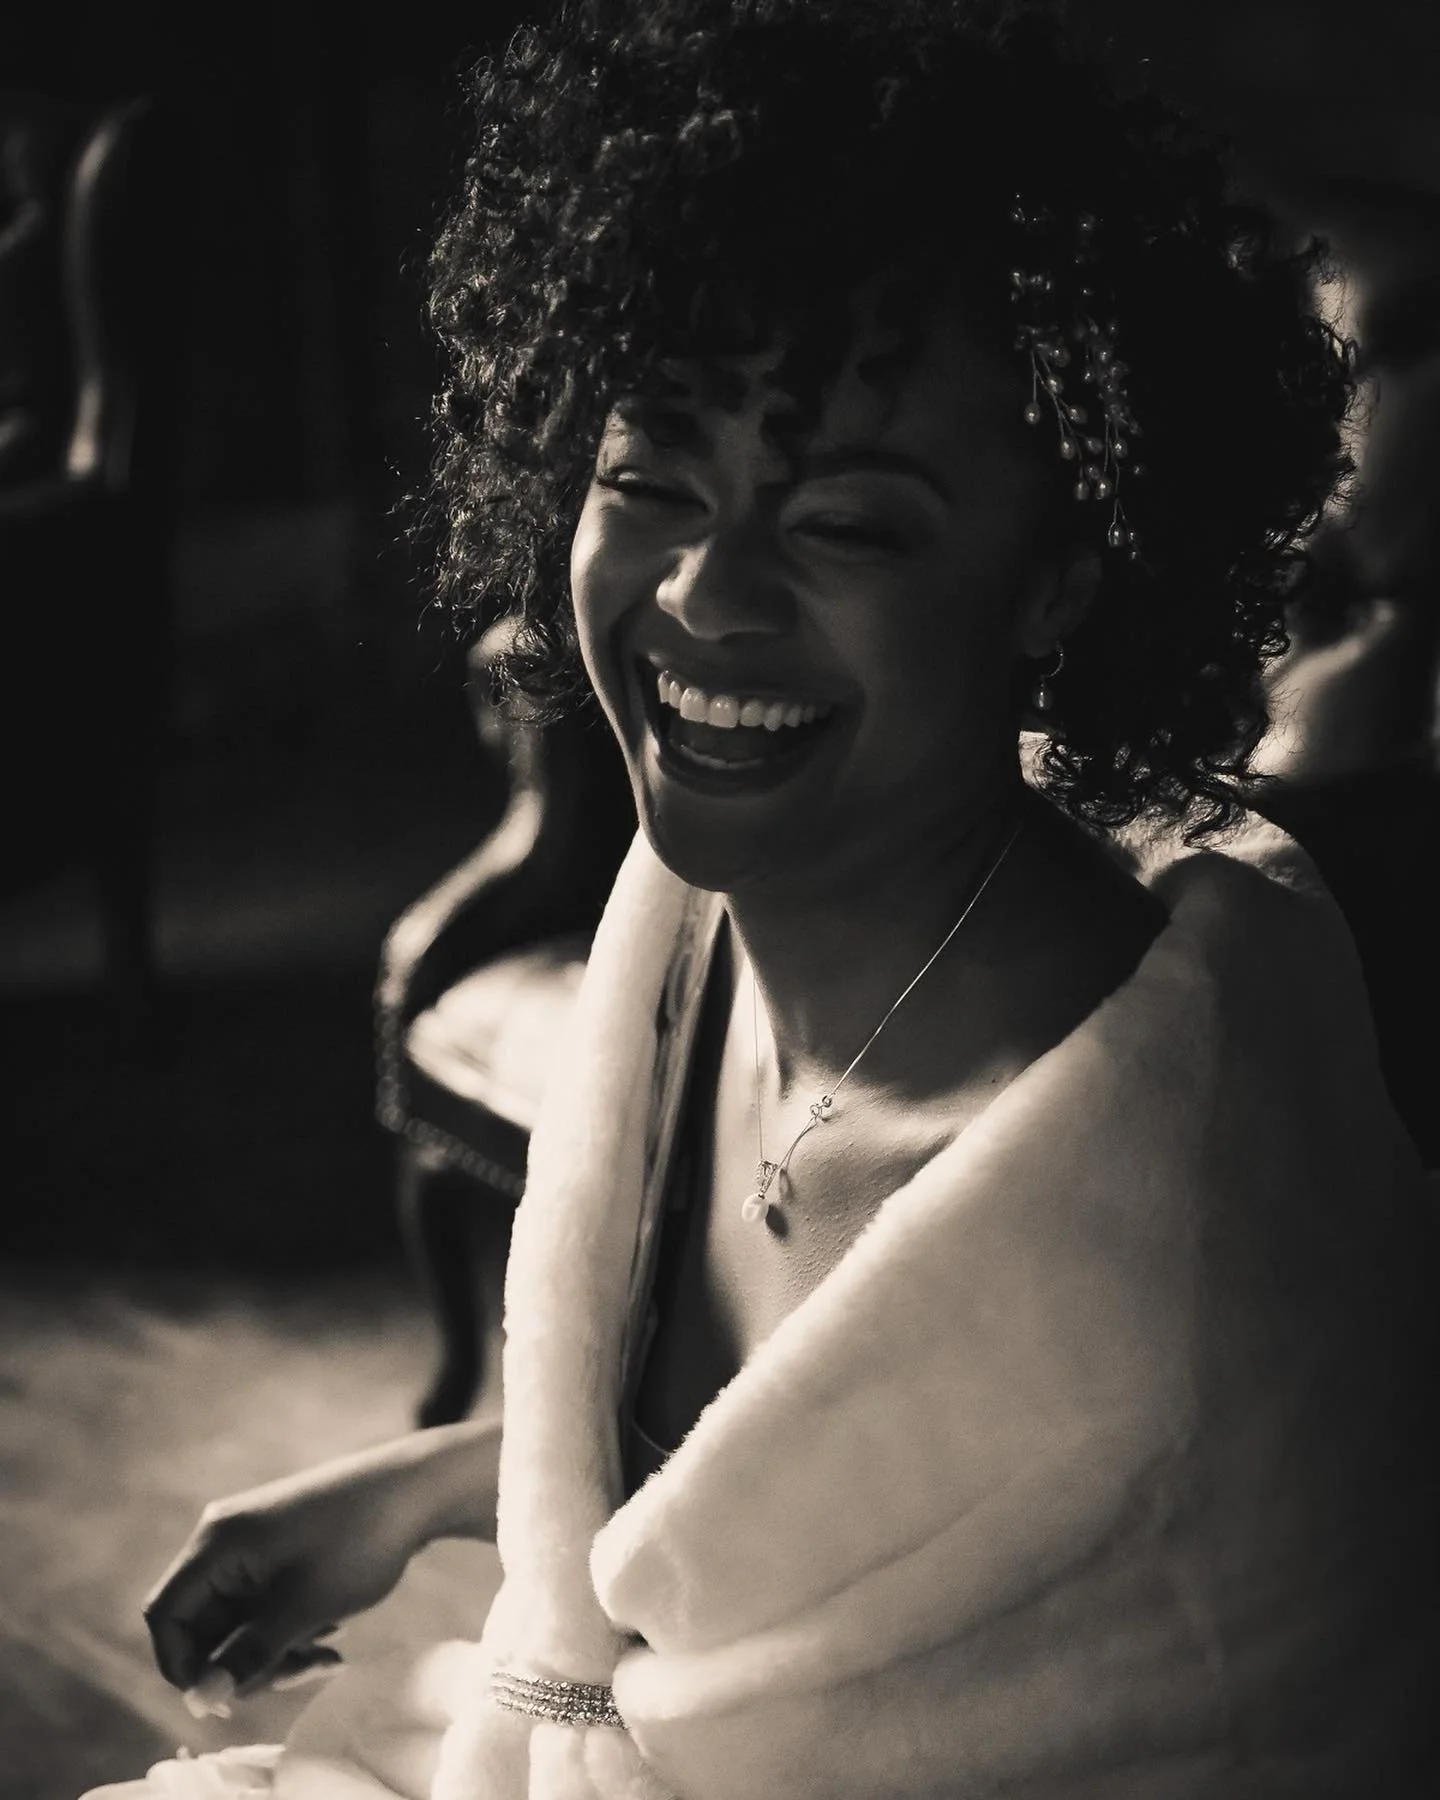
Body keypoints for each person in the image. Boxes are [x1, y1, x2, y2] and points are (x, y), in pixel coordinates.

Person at [86, 3, 1438, 1796]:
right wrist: (444, 1484)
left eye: (848, 524)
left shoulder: (1175, 1238)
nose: (705, 597)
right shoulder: (701, 908)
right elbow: (804, 1466)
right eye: (651, 480)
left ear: (1059, 580)